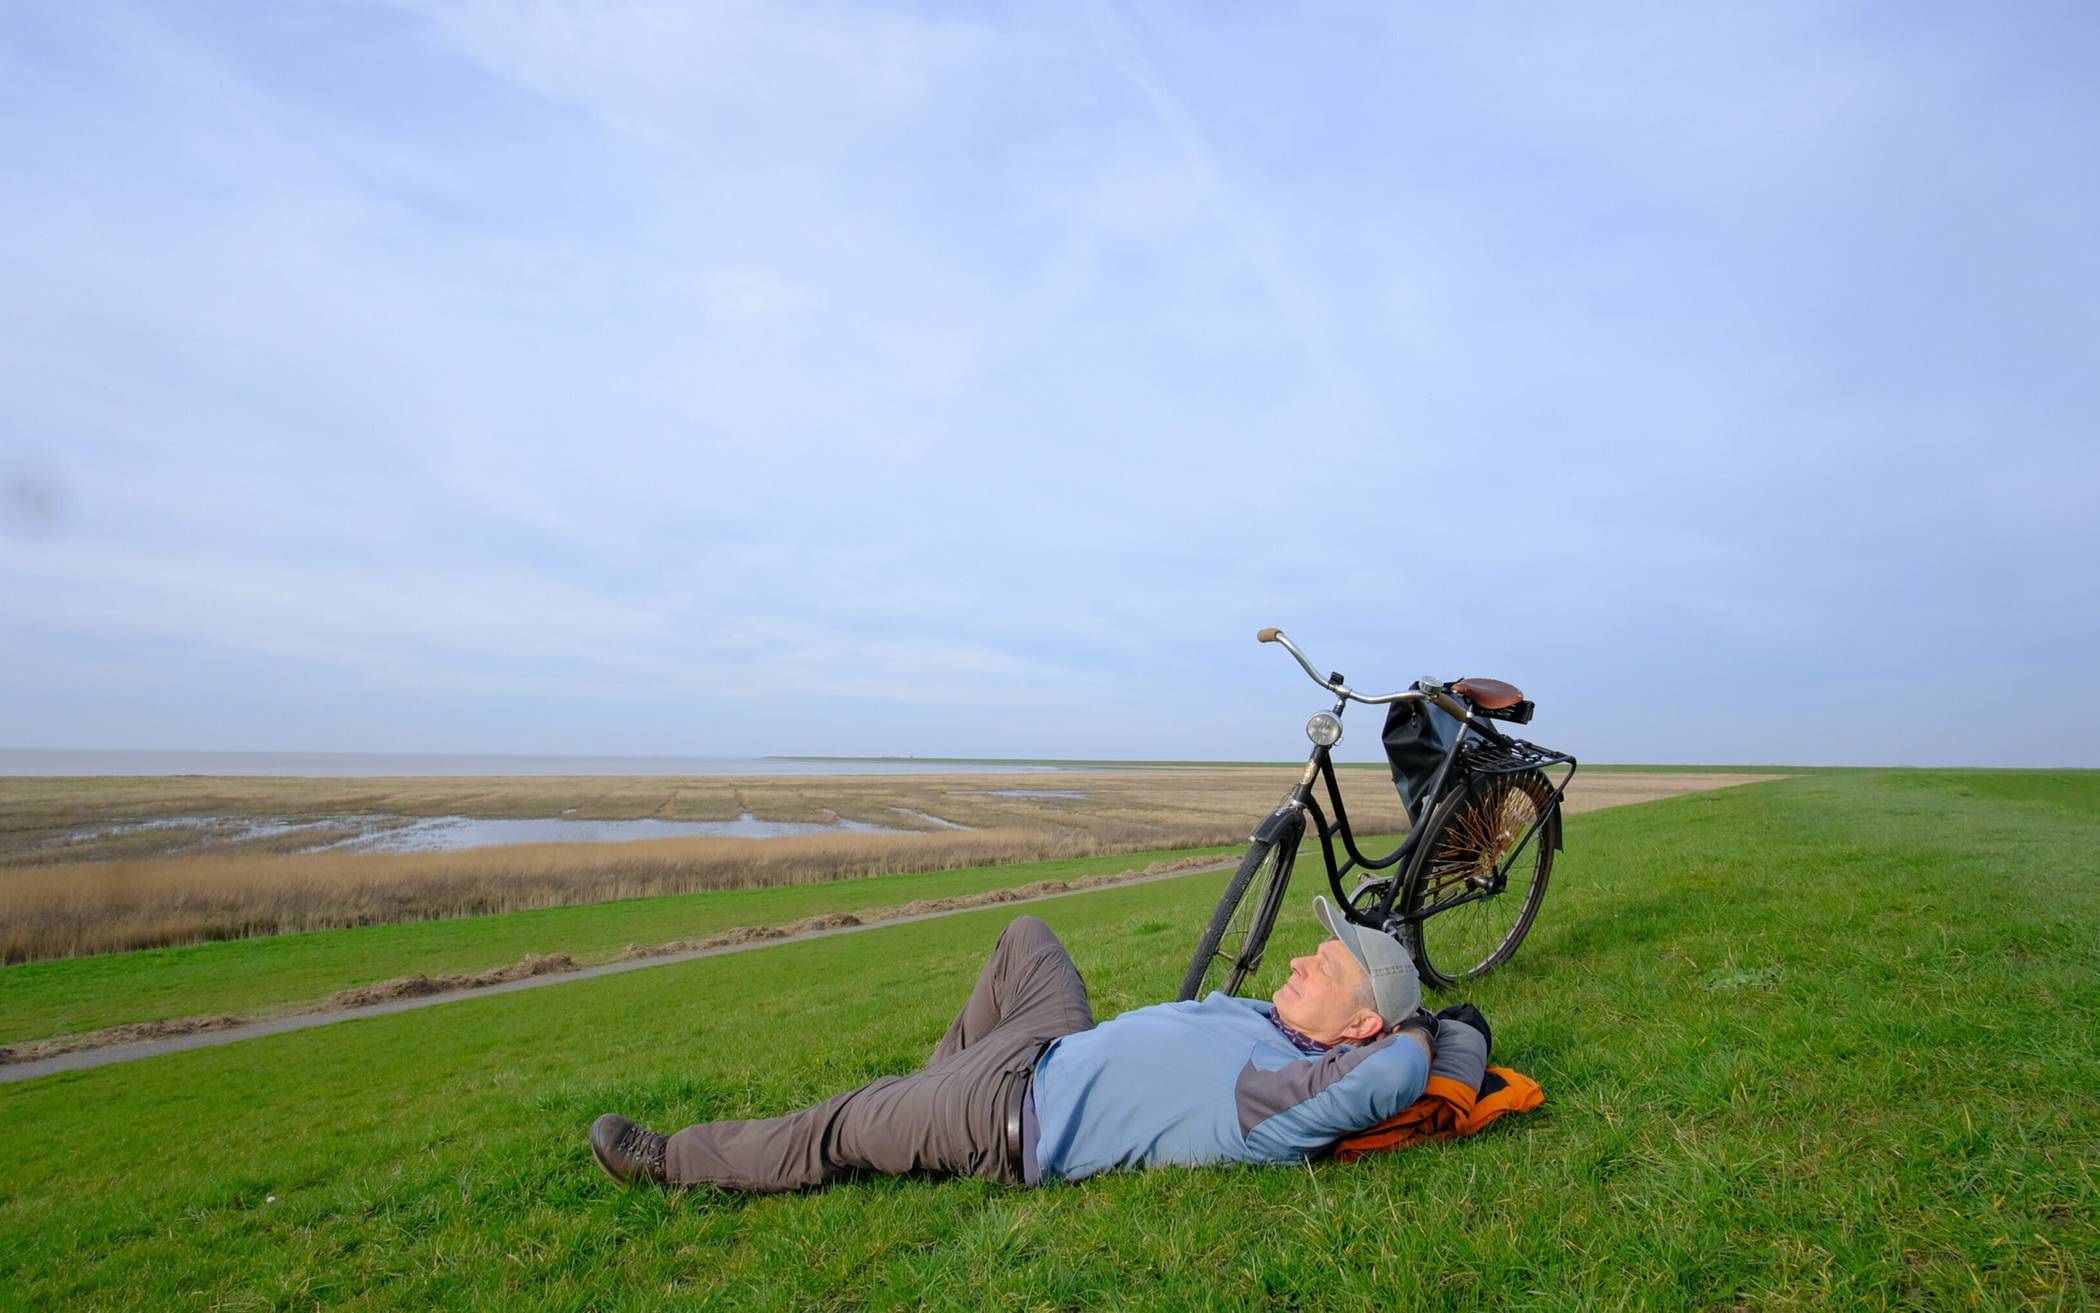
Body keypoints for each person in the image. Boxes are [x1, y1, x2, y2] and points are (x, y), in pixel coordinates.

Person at [589, 897, 1436, 1191]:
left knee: (836, 1125)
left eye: (1324, 964)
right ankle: (921, 1098)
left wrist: (1425, 1023)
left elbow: (1398, 1070)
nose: (1297, 957)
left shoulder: (1286, 1095)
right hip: (1043, 1049)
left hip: (1008, 1113)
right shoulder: (1276, 1022)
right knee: (1027, 937)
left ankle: (670, 1159)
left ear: (1363, 1026)